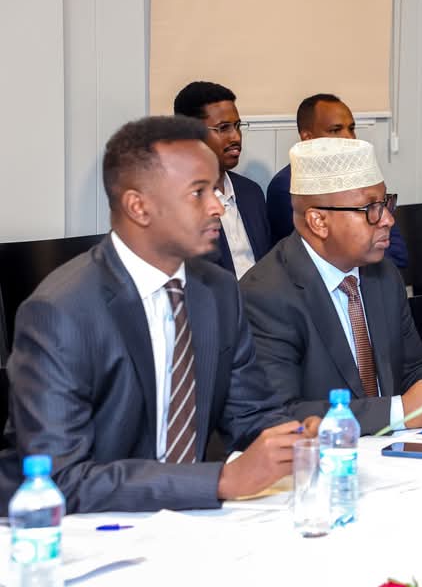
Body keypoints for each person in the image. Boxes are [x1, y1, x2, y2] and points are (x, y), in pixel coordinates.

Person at [0, 116, 312, 515]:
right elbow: (59, 478)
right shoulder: (61, 312)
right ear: (139, 206)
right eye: (198, 193)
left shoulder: (217, 290)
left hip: (189, 516)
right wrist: (219, 481)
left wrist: (292, 438)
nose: (218, 207)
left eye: (215, 190)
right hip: (86, 526)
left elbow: (251, 413)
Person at [241, 138, 422, 435]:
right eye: (371, 208)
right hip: (323, 458)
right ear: (318, 221)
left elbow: (411, 368)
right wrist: (399, 412)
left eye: (386, 203)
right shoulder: (267, 294)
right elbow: (280, 414)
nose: (388, 219)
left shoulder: (383, 275)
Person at [265, 93, 407, 269]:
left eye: (351, 128)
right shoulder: (287, 186)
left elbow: (398, 253)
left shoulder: (363, 180)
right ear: (308, 138)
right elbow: (317, 255)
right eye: (335, 130)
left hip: (373, 277)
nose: (349, 137)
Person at [174, 81, 270, 277]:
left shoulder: (251, 192)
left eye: (237, 126)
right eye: (223, 128)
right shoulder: (177, 202)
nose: (236, 137)